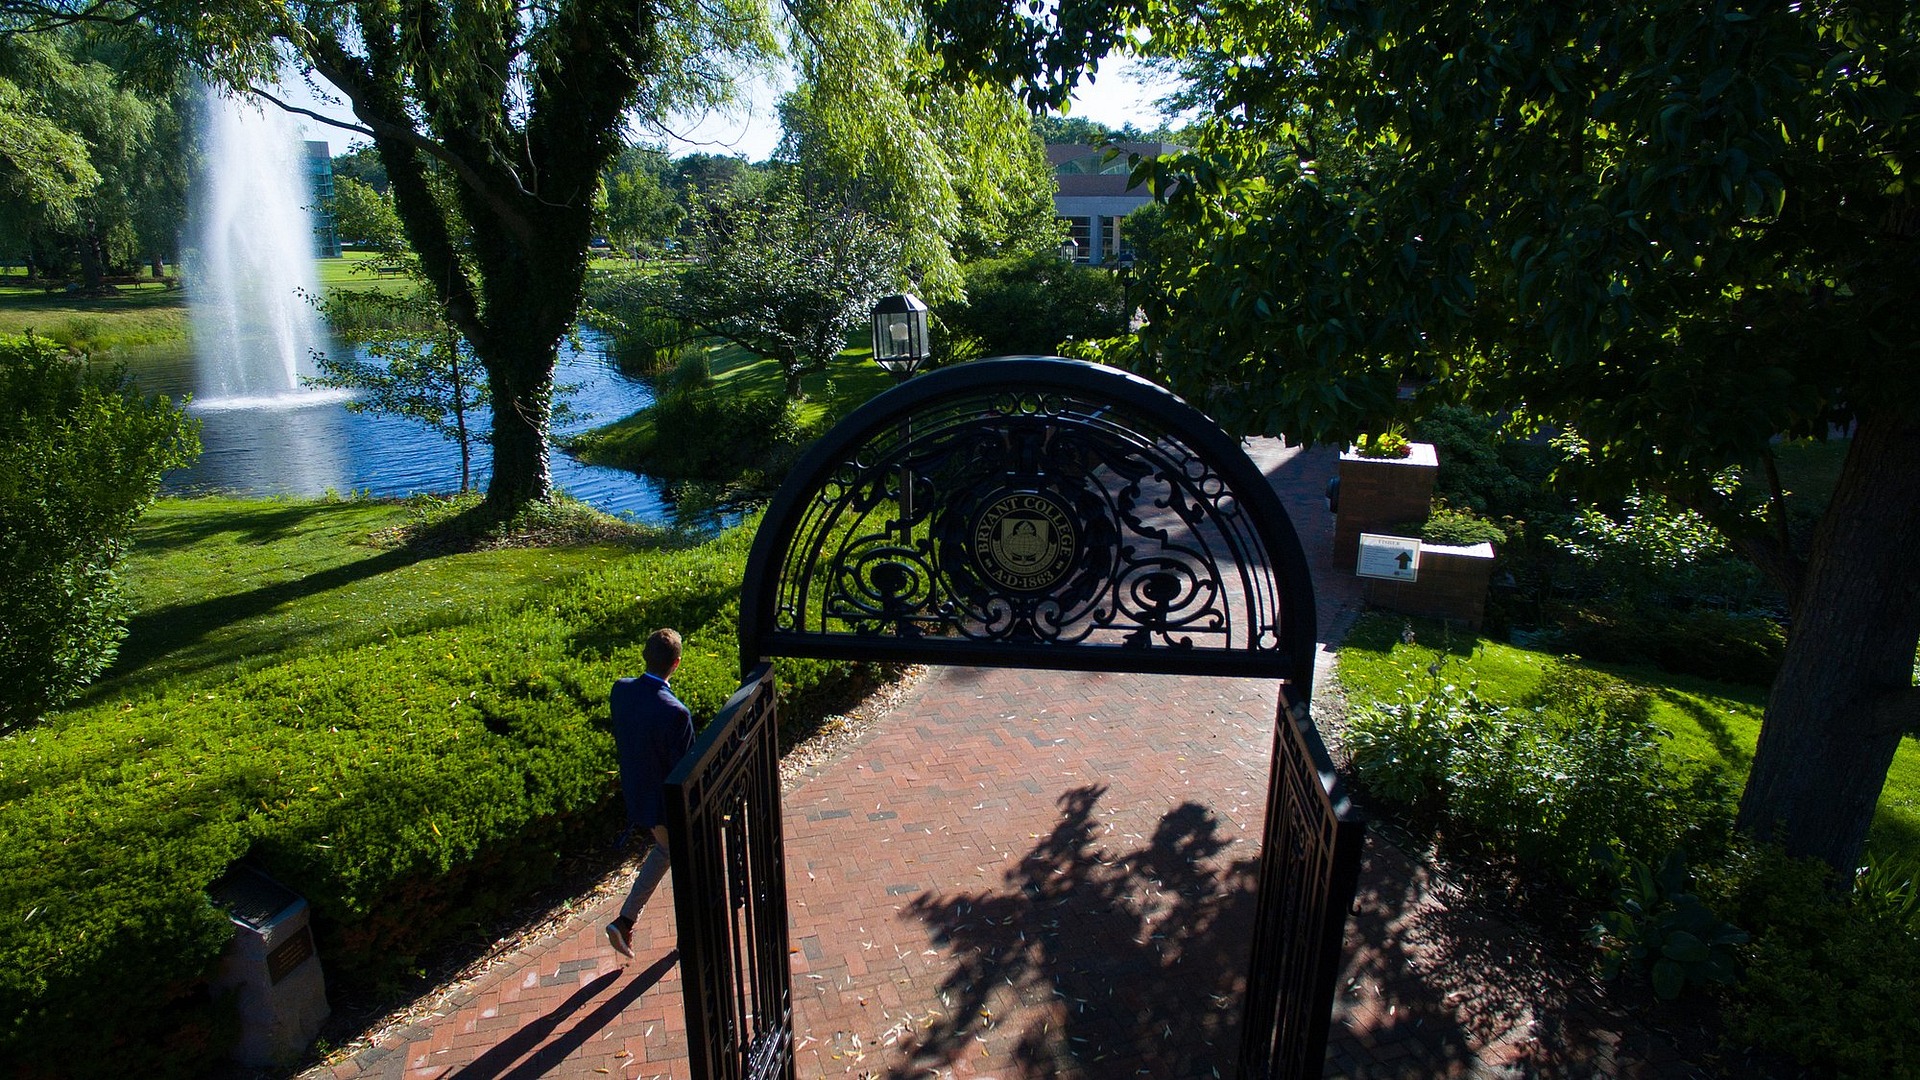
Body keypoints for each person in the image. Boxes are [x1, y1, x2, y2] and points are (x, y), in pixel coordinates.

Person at [605, 628, 694, 959]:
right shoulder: (676, 712)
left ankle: (627, 921)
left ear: (645, 656)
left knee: (665, 852)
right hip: (665, 806)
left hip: (637, 795)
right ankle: (635, 923)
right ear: (677, 663)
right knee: (686, 861)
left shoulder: (621, 690)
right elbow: (687, 769)